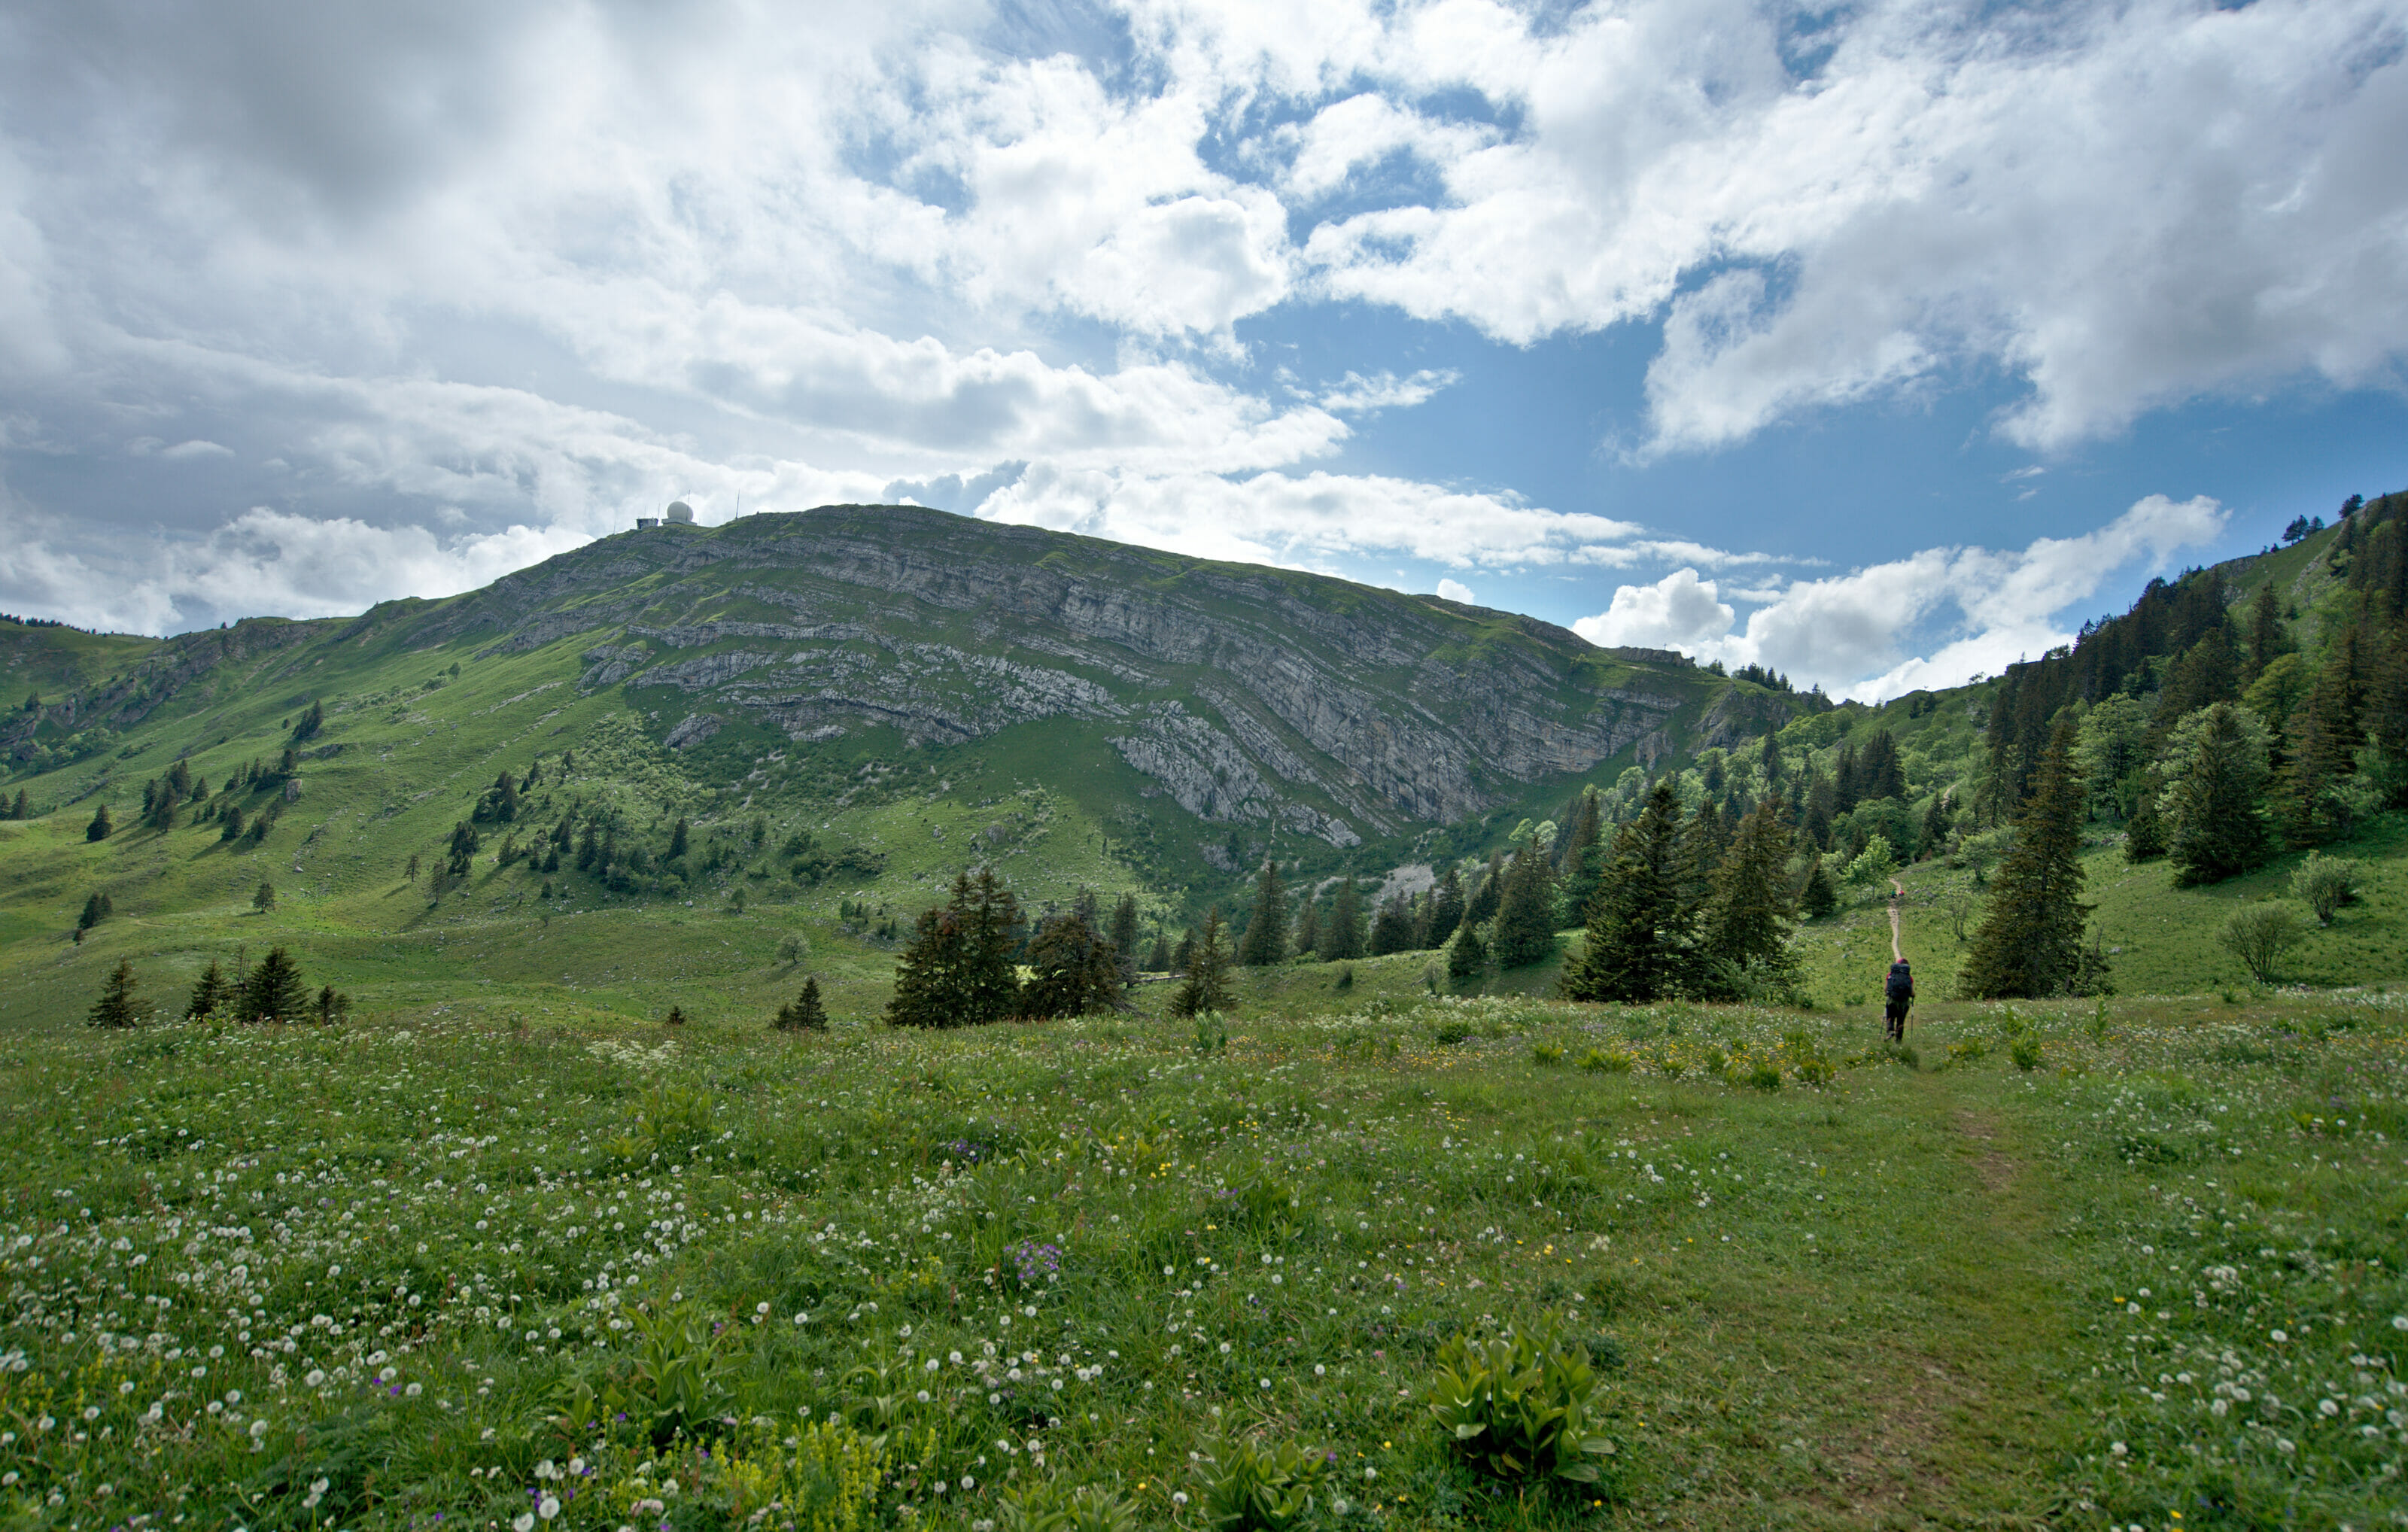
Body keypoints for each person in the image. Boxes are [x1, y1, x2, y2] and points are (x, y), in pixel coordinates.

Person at [1884, 958, 1914, 1042]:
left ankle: (1890, 1031)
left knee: (1890, 1017)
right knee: (1901, 1021)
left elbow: (1886, 989)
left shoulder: (1890, 975)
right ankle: (1898, 1040)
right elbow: (1912, 993)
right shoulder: (1909, 978)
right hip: (1904, 1003)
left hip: (1892, 1001)